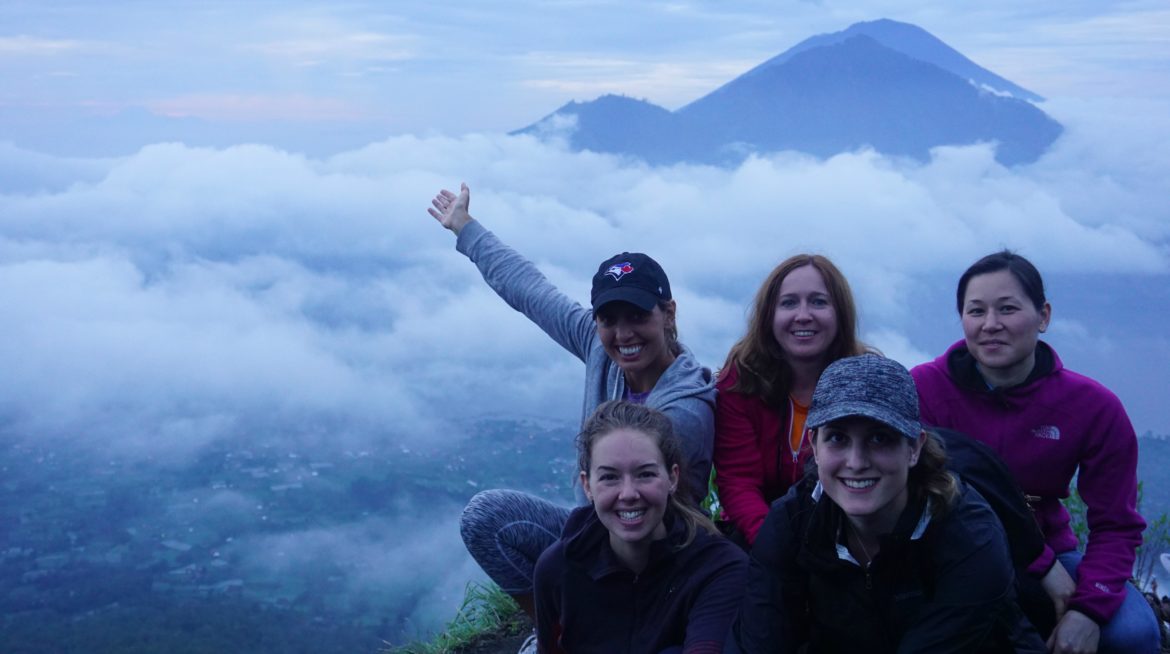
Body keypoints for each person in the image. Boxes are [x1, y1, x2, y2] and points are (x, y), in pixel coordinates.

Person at [427, 184, 716, 627]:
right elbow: (532, 292)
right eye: (608, 319)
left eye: (638, 316)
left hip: (658, 554)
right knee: (487, 519)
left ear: (668, 314)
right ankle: (562, 632)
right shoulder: (601, 350)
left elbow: (646, 517)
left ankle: (607, 626)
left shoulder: (686, 408)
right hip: (595, 527)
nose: (623, 333)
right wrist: (466, 229)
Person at [911, 250, 1161, 654]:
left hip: (1056, 550)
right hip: (948, 551)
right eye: (976, 311)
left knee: (1132, 634)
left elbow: (1116, 524)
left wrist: (1089, 611)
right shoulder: (925, 389)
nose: (991, 325)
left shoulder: (1091, 406)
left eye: (1007, 309)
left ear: (1043, 316)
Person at [730, 354, 1047, 653]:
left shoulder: (968, 536)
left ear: (914, 448)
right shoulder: (793, 521)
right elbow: (759, 641)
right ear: (814, 444)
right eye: (838, 438)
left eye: (880, 438)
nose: (856, 462)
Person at [534, 400, 747, 654]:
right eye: (609, 477)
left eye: (645, 474)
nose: (628, 494)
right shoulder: (559, 569)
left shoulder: (717, 568)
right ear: (587, 485)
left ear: (672, 478)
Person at [714, 254, 868, 546]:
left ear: (840, 313)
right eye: (788, 303)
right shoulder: (741, 380)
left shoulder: (863, 380)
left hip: (845, 533)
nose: (803, 315)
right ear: (769, 314)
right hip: (758, 534)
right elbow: (739, 482)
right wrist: (775, 546)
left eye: (819, 302)